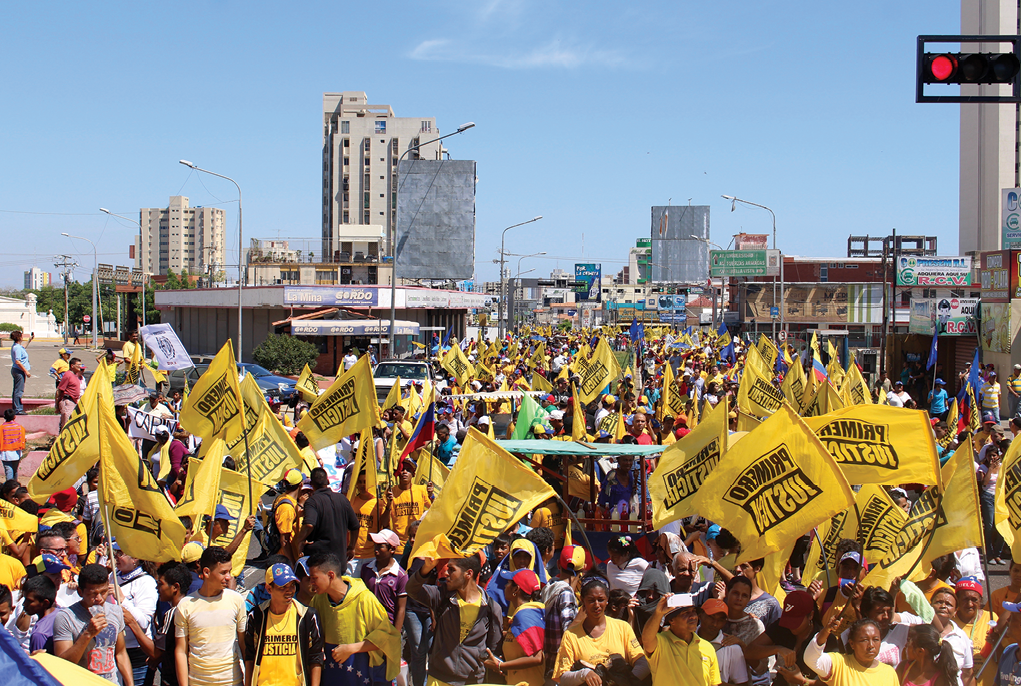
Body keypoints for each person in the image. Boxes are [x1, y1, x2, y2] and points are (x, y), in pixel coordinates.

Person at [305, 552, 402, 686]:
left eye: (314, 578)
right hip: (331, 676)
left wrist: (351, 648)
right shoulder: (318, 600)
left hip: (362, 674)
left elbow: (388, 638)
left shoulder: (364, 599)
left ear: (331, 575)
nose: (311, 583)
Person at [407, 553, 503, 686]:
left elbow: (493, 649)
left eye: (452, 569)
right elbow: (411, 589)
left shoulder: (490, 608)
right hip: (438, 679)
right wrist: (426, 568)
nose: (446, 573)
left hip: (473, 681)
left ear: (468, 574)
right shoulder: (442, 596)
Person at [174, 546, 248, 686]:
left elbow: (245, 646)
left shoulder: (236, 600)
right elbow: (180, 651)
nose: (229, 577)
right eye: (223, 572)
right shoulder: (185, 606)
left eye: (230, 571)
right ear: (206, 572)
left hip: (232, 682)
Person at [553, 578, 649, 686]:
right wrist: (584, 674)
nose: (596, 604)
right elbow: (563, 677)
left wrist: (626, 681)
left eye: (601, 599)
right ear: (583, 601)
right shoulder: (571, 635)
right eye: (591, 600)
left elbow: (643, 663)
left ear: (607, 600)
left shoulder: (623, 627)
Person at [244, 563, 325, 686]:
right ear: (269, 589)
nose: (289, 591)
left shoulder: (307, 616)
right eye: (282, 587)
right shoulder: (256, 616)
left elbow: (315, 657)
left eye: (292, 585)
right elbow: (250, 657)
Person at [53, 562, 134, 685]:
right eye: (93, 594)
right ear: (80, 592)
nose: (99, 598)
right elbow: (62, 663)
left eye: (103, 592)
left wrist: (130, 684)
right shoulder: (65, 617)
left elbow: (121, 653)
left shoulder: (115, 611)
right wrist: (87, 634)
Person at [641, 593, 719, 686]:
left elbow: (714, 683)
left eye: (694, 611)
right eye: (685, 613)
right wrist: (658, 613)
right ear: (671, 620)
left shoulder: (707, 647)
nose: (693, 616)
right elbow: (646, 639)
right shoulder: (661, 642)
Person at [484, 569, 546, 686]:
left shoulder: (525, 615)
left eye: (508, 583)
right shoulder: (525, 614)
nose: (505, 586)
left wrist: (500, 666)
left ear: (516, 589)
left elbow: (537, 658)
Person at [114, 542, 159, 686]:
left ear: (134, 558)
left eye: (121, 553)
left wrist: (123, 600)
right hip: (114, 649)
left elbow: (143, 622)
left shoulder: (146, 582)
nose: (116, 557)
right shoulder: (112, 576)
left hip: (137, 654)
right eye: (116, 553)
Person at [805, 617, 899, 685]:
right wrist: (826, 630)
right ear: (852, 644)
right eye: (864, 640)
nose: (871, 645)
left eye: (875, 639)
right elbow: (811, 659)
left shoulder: (889, 673)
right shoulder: (839, 664)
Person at [293, 468, 359, 562]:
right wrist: (352, 547)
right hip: (339, 559)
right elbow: (355, 526)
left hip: (319, 561)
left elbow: (309, 524)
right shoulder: (342, 499)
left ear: (312, 484)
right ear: (328, 481)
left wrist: (299, 540)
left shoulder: (312, 502)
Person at [542, 546, 584, 679]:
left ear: (559, 564)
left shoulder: (550, 586)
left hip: (546, 659)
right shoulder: (566, 594)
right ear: (583, 569)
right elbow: (569, 631)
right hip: (559, 664)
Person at [151, 562, 192, 686]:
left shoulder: (173, 613)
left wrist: (132, 622)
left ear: (175, 587)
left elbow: (155, 653)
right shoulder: (192, 608)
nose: (157, 588)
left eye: (160, 584)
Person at [359, 529, 408, 629]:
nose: (376, 549)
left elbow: (401, 609)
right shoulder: (366, 569)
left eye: (380, 546)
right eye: (375, 545)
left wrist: (395, 635)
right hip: (366, 625)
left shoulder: (401, 576)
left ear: (392, 549)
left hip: (387, 626)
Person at [380, 459, 431, 554]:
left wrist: (431, 495)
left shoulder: (421, 490)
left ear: (413, 474)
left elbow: (434, 510)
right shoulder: (390, 492)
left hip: (417, 545)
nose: (404, 472)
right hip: (398, 546)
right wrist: (388, 505)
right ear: (398, 473)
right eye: (402, 469)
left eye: (408, 470)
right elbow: (383, 522)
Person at [696, 598, 750, 686]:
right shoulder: (685, 640)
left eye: (720, 620)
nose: (714, 624)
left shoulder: (732, 648)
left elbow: (743, 684)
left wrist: (714, 682)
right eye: (711, 617)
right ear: (700, 616)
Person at [271, 469, 304, 562]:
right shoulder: (287, 508)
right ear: (301, 484)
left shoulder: (282, 498)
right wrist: (292, 562)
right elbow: (284, 540)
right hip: (285, 558)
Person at [23, 575, 59, 654]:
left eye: (29, 601)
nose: (24, 604)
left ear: (45, 603)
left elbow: (39, 663)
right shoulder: (62, 613)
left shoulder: (39, 634)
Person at [55, 356, 83, 429]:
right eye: (78, 365)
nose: (80, 367)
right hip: (67, 401)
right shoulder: (68, 375)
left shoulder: (75, 375)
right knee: (67, 423)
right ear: (72, 366)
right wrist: (57, 405)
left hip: (74, 401)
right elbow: (59, 390)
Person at [10, 330, 33, 415]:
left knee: (17, 390)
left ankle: (16, 408)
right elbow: (18, 361)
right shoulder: (16, 348)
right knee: (18, 391)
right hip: (19, 371)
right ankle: (18, 409)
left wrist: (29, 340)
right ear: (19, 337)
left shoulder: (18, 347)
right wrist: (26, 371)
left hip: (18, 370)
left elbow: (23, 347)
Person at [0, 409, 25, 481]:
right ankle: (15, 486)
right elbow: (22, 439)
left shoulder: (2, 428)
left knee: (8, 471)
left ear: (4, 417)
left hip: (5, 452)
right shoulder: (19, 427)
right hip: (16, 452)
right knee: (15, 470)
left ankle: (10, 487)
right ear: (14, 417)